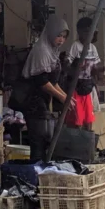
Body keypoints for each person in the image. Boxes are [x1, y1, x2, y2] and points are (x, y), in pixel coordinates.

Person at [19, 16, 70, 160]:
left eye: (64, 37)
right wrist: (61, 97)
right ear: (50, 34)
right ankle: (37, 173)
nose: (61, 40)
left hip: (43, 102)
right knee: (38, 141)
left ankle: (43, 169)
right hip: (32, 101)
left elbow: (52, 81)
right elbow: (41, 81)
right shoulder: (41, 51)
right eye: (58, 35)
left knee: (46, 138)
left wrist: (66, 97)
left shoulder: (53, 52)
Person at [67, 17, 104, 131]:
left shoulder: (93, 48)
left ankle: (88, 142)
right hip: (76, 87)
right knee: (77, 119)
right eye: (86, 32)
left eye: (91, 32)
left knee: (89, 119)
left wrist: (104, 70)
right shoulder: (75, 46)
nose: (89, 35)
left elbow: (94, 70)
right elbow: (66, 67)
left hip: (88, 87)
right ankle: (76, 142)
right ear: (79, 32)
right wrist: (76, 67)